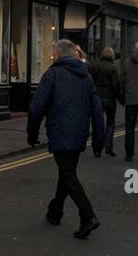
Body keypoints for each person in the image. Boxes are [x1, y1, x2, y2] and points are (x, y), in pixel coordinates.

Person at [27, 38, 104, 239]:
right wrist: (98, 137)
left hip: (60, 130)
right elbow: (97, 109)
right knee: (67, 171)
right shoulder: (86, 77)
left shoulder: (52, 74)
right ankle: (55, 211)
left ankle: (88, 215)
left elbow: (37, 107)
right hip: (79, 132)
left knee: (68, 173)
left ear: (58, 54)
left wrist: (32, 133)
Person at [118, 39, 138, 161]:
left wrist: (122, 95)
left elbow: (122, 81)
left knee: (129, 127)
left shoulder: (127, 63)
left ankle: (129, 153)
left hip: (130, 97)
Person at [88, 46, 120, 156]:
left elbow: (90, 81)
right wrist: (119, 97)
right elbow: (115, 85)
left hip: (97, 97)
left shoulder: (95, 66)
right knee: (110, 122)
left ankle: (97, 148)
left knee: (97, 123)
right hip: (110, 98)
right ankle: (108, 146)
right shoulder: (112, 68)